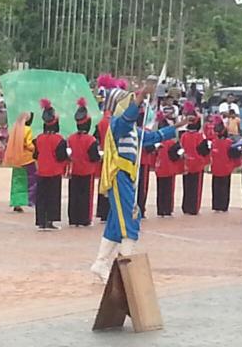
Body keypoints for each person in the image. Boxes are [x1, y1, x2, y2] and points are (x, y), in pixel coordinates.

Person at [90, 83, 184, 283]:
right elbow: (126, 119)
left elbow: (152, 137)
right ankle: (125, 269)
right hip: (119, 175)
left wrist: (177, 126)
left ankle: (100, 263)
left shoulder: (133, 130)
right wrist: (140, 98)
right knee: (130, 218)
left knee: (117, 223)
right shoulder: (116, 124)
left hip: (129, 176)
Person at [33, 100, 68, 231]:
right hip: (54, 172)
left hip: (41, 172)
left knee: (41, 197)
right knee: (53, 197)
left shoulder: (38, 138)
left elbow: (35, 155)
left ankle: (41, 221)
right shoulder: (59, 139)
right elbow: (61, 157)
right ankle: (50, 220)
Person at [67, 99, 101, 227]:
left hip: (74, 170)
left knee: (74, 195)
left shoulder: (71, 138)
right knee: (86, 196)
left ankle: (73, 218)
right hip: (87, 171)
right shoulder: (90, 140)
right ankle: (84, 219)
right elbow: (94, 157)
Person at [179, 102, 211, 215]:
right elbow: (204, 151)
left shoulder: (183, 135)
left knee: (186, 187)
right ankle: (193, 208)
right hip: (197, 164)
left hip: (187, 164)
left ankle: (186, 207)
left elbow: (181, 148)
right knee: (196, 188)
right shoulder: (200, 136)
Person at [3, 112, 37, 213]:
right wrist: (36, 148)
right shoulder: (27, 130)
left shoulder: (15, 129)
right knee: (32, 180)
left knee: (17, 181)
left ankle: (16, 203)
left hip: (16, 159)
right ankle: (31, 200)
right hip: (27, 159)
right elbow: (29, 144)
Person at [210, 116, 242, 212]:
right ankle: (221, 206)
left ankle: (219, 206)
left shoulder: (225, 143)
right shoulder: (216, 142)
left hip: (222, 169)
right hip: (220, 168)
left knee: (219, 188)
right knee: (222, 188)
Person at [154, 112, 183, 217]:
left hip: (159, 168)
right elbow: (176, 155)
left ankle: (160, 210)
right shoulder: (171, 143)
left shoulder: (157, 143)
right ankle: (167, 209)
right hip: (169, 169)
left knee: (160, 190)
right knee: (169, 191)